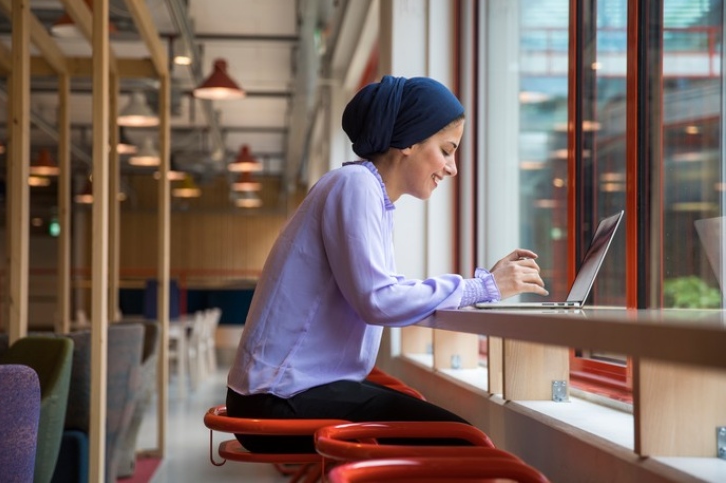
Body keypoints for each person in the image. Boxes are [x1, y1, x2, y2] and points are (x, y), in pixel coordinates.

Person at [226, 75, 548, 453]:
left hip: (284, 391)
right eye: (446, 150)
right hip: (277, 399)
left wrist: (478, 288)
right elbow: (378, 300)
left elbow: (383, 292)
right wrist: (484, 287)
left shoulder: (369, 195)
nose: (452, 167)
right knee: (463, 443)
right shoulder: (355, 185)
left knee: (445, 433)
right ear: (409, 141)